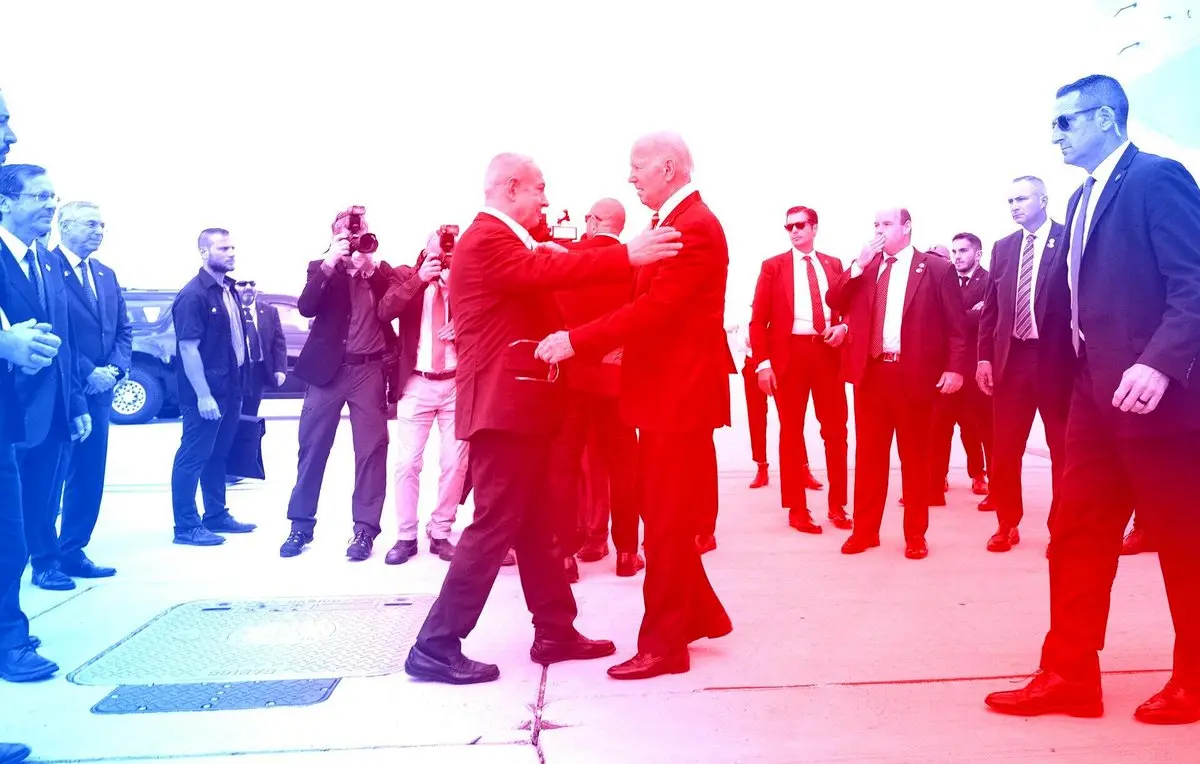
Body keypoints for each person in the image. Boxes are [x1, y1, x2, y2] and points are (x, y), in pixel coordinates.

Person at [404, 152, 681, 685]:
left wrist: (558, 253)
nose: (546, 201)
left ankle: (555, 630)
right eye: (539, 190)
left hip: (519, 410)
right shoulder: (488, 238)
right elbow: (545, 272)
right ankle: (435, 645)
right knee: (493, 527)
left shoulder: (505, 242)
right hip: (504, 412)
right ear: (512, 188)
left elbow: (543, 269)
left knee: (535, 526)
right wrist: (625, 255)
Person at [985, 74, 1200, 725]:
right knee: (1074, 534)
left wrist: (1160, 363)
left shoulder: (1157, 180)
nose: (1055, 135)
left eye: (1066, 121)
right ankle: (1070, 675)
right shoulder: (1080, 199)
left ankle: (1194, 681)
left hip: (1157, 403)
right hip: (1091, 398)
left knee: (1182, 543)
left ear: (1105, 118)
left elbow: (1193, 283)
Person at [538, 132, 735, 680]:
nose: (630, 177)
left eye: (637, 166)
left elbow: (655, 309)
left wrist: (576, 340)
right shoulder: (675, 223)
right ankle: (699, 614)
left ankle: (665, 646)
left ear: (668, 167)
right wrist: (568, 259)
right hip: (666, 394)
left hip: (678, 397)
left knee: (666, 522)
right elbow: (636, 286)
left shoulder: (691, 227)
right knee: (663, 511)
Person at [825, 208, 968, 560]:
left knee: (915, 459)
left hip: (914, 375)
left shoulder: (936, 269)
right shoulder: (867, 267)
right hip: (872, 375)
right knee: (869, 458)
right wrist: (857, 265)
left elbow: (956, 326)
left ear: (906, 227)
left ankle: (915, 534)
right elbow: (834, 300)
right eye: (875, 224)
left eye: (886, 224)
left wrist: (955, 368)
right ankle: (865, 531)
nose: (879, 230)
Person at [279, 207, 397, 560]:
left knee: (372, 451)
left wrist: (369, 269)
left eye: (359, 233)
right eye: (347, 233)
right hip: (327, 373)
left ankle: (364, 531)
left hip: (368, 370)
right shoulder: (321, 267)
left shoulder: (380, 270)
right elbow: (306, 306)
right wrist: (332, 261)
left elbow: (393, 307)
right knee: (312, 448)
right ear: (334, 236)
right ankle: (300, 526)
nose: (355, 239)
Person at [0, 164, 91, 591]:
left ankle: (45, 563)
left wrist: (75, 403)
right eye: (39, 196)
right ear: (5, 203)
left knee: (42, 497)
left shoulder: (49, 263)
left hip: (52, 407)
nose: (50, 205)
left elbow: (65, 340)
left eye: (52, 197)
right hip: (10, 409)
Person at [976, 176, 1073, 552]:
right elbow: (991, 310)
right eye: (1010, 201)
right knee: (1005, 448)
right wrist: (984, 358)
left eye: (1022, 199)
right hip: (1011, 361)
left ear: (1043, 200)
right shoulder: (1003, 247)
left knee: (1062, 449)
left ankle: (1061, 528)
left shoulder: (1067, 239)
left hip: (1055, 361)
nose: (1014, 206)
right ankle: (1006, 523)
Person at [547, 198, 642, 580]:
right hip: (615, 379)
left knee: (564, 466)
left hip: (572, 378)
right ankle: (627, 553)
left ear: (592, 221)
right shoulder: (633, 264)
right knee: (624, 467)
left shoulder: (570, 258)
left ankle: (565, 557)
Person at [750, 205, 851, 535]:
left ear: (814, 228)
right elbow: (757, 320)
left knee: (835, 431)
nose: (794, 231)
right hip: (790, 355)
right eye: (789, 227)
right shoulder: (774, 267)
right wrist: (763, 364)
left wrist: (844, 327)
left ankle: (838, 505)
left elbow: (849, 306)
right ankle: (796, 509)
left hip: (827, 353)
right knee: (791, 432)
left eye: (800, 225)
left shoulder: (833, 264)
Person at [48, 201, 130, 579]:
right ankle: (42, 553)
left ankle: (72, 549)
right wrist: (89, 371)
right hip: (61, 388)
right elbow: (57, 332)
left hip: (100, 392)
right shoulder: (47, 268)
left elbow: (123, 329)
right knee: (51, 474)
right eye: (91, 224)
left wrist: (114, 369)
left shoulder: (105, 274)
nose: (99, 231)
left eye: (102, 225)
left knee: (89, 472)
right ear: (65, 226)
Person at [376, 231, 469, 565]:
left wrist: (463, 320)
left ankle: (440, 531)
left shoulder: (465, 276)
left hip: (456, 383)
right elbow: (385, 311)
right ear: (426, 249)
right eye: (439, 247)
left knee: (455, 463)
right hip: (417, 383)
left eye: (449, 248)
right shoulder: (405, 275)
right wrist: (420, 279)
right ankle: (406, 536)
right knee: (407, 463)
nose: (444, 254)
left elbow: (488, 313)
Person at [168, 228, 257, 546]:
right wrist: (203, 396)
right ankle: (186, 526)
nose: (231, 253)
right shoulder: (194, 295)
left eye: (232, 248)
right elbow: (188, 348)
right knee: (193, 456)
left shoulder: (228, 289)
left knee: (218, 455)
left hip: (231, 390)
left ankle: (216, 514)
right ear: (204, 253)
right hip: (206, 394)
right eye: (223, 248)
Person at [929, 232, 992, 506]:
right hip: (949, 368)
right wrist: (970, 314)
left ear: (978, 254)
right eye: (954, 251)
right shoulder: (946, 280)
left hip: (977, 369)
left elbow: (987, 319)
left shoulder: (990, 281)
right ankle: (934, 483)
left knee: (980, 430)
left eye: (963, 251)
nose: (957, 257)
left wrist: (955, 318)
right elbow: (937, 320)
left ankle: (985, 480)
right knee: (939, 428)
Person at [235, 280, 286, 417]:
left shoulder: (270, 311)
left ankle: (248, 432)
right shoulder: (229, 310)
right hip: (235, 370)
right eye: (242, 284)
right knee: (232, 413)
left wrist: (280, 369)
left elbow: (279, 342)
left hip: (256, 370)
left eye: (252, 284)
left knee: (250, 413)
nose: (248, 287)